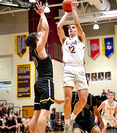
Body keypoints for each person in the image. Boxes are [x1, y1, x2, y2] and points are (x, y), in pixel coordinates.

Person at [57, 0, 88, 132]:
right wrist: (66, 13)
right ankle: (66, 123)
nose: (71, 29)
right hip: (68, 68)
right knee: (68, 98)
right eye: (69, 28)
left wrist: (74, 10)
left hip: (80, 69)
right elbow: (59, 27)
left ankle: (73, 117)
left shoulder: (81, 38)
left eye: (72, 28)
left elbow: (77, 23)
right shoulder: (65, 40)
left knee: (83, 100)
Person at [25, 2, 54, 133]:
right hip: (46, 81)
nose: (40, 34)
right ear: (37, 41)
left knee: (36, 113)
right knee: (44, 113)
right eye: (38, 37)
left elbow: (40, 30)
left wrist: (40, 16)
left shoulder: (34, 50)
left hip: (38, 83)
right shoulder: (39, 48)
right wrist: (42, 14)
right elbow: (46, 29)